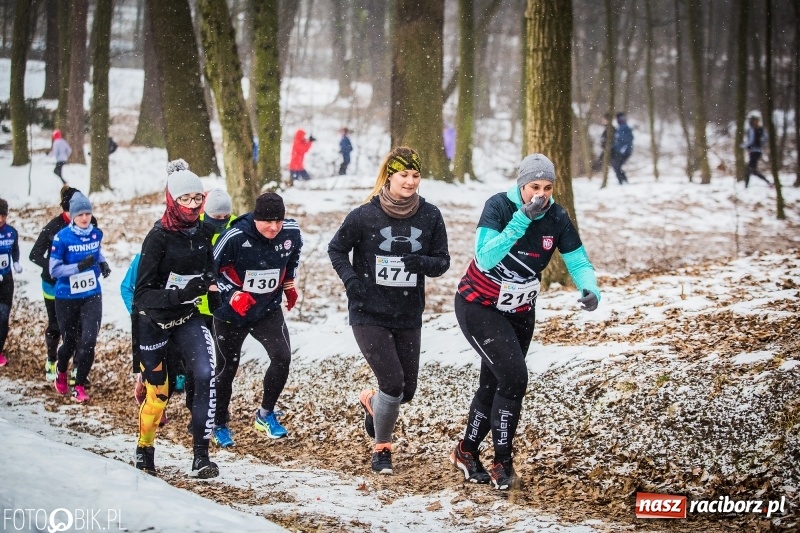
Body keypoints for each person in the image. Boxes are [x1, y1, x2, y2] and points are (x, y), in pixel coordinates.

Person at [450, 153, 600, 490]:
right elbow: (485, 257)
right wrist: (521, 220)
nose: (541, 195)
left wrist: (590, 288)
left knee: (496, 383)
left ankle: (466, 451)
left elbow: (578, 260)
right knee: (515, 378)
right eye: (534, 187)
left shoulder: (557, 216)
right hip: (479, 305)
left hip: (519, 309)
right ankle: (503, 463)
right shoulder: (499, 207)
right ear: (521, 185)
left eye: (548, 187)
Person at [328, 147, 450, 475]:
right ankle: (382, 449)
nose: (410, 181)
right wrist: (351, 279)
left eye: (415, 175)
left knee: (404, 392)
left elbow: (442, 261)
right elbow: (336, 249)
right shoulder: (364, 216)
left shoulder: (430, 215)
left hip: (408, 313)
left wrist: (421, 262)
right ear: (389, 176)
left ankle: (372, 402)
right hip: (368, 312)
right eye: (403, 175)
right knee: (393, 383)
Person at [132, 159, 221, 478]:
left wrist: (212, 288)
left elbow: (208, 267)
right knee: (159, 393)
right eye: (186, 199)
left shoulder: (204, 231)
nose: (193, 205)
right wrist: (181, 294)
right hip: (154, 322)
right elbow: (141, 295)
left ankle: (201, 457)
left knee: (205, 373)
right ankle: (144, 450)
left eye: (198, 199)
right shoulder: (157, 237)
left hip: (187, 318)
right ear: (172, 200)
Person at [210, 192, 302, 446]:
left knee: (282, 357)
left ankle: (265, 414)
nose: (274, 227)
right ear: (256, 218)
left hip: (266, 309)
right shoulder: (235, 236)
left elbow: (292, 257)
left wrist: (289, 284)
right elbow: (209, 271)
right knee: (227, 369)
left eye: (278, 221)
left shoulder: (291, 232)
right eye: (267, 222)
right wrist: (232, 294)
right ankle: (218, 423)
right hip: (231, 314)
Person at [30, 186, 97, 383]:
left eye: (84, 212)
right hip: (54, 284)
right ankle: (52, 360)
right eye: (72, 211)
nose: (81, 217)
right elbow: (34, 254)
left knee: (80, 328)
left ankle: (77, 368)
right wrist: (54, 268)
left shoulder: (90, 223)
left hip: (80, 284)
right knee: (57, 326)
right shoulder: (54, 227)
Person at [48, 192, 110, 402]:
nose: (85, 218)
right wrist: (78, 267)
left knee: (90, 340)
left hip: (91, 294)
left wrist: (102, 263)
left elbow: (96, 252)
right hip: (66, 296)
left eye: (88, 213)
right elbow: (54, 270)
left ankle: (80, 385)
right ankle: (62, 368)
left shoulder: (96, 234)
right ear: (72, 215)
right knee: (70, 342)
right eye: (81, 214)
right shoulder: (62, 238)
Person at [0, 198, 22, 367]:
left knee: (4, 316)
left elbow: (14, 249)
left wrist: (15, 262)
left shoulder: (11, 232)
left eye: (3, 215)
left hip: (6, 279)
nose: (1, 219)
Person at [743, 115, 771, 188]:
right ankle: (767, 182)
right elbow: (764, 139)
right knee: (752, 170)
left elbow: (751, 141)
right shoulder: (758, 129)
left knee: (750, 169)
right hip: (755, 151)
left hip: (755, 151)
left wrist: (744, 146)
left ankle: (746, 186)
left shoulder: (756, 129)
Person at [611, 112, 633, 184]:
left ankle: (622, 181)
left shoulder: (624, 128)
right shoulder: (621, 127)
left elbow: (627, 140)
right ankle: (623, 180)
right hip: (620, 151)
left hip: (623, 151)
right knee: (616, 166)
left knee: (617, 166)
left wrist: (622, 150)